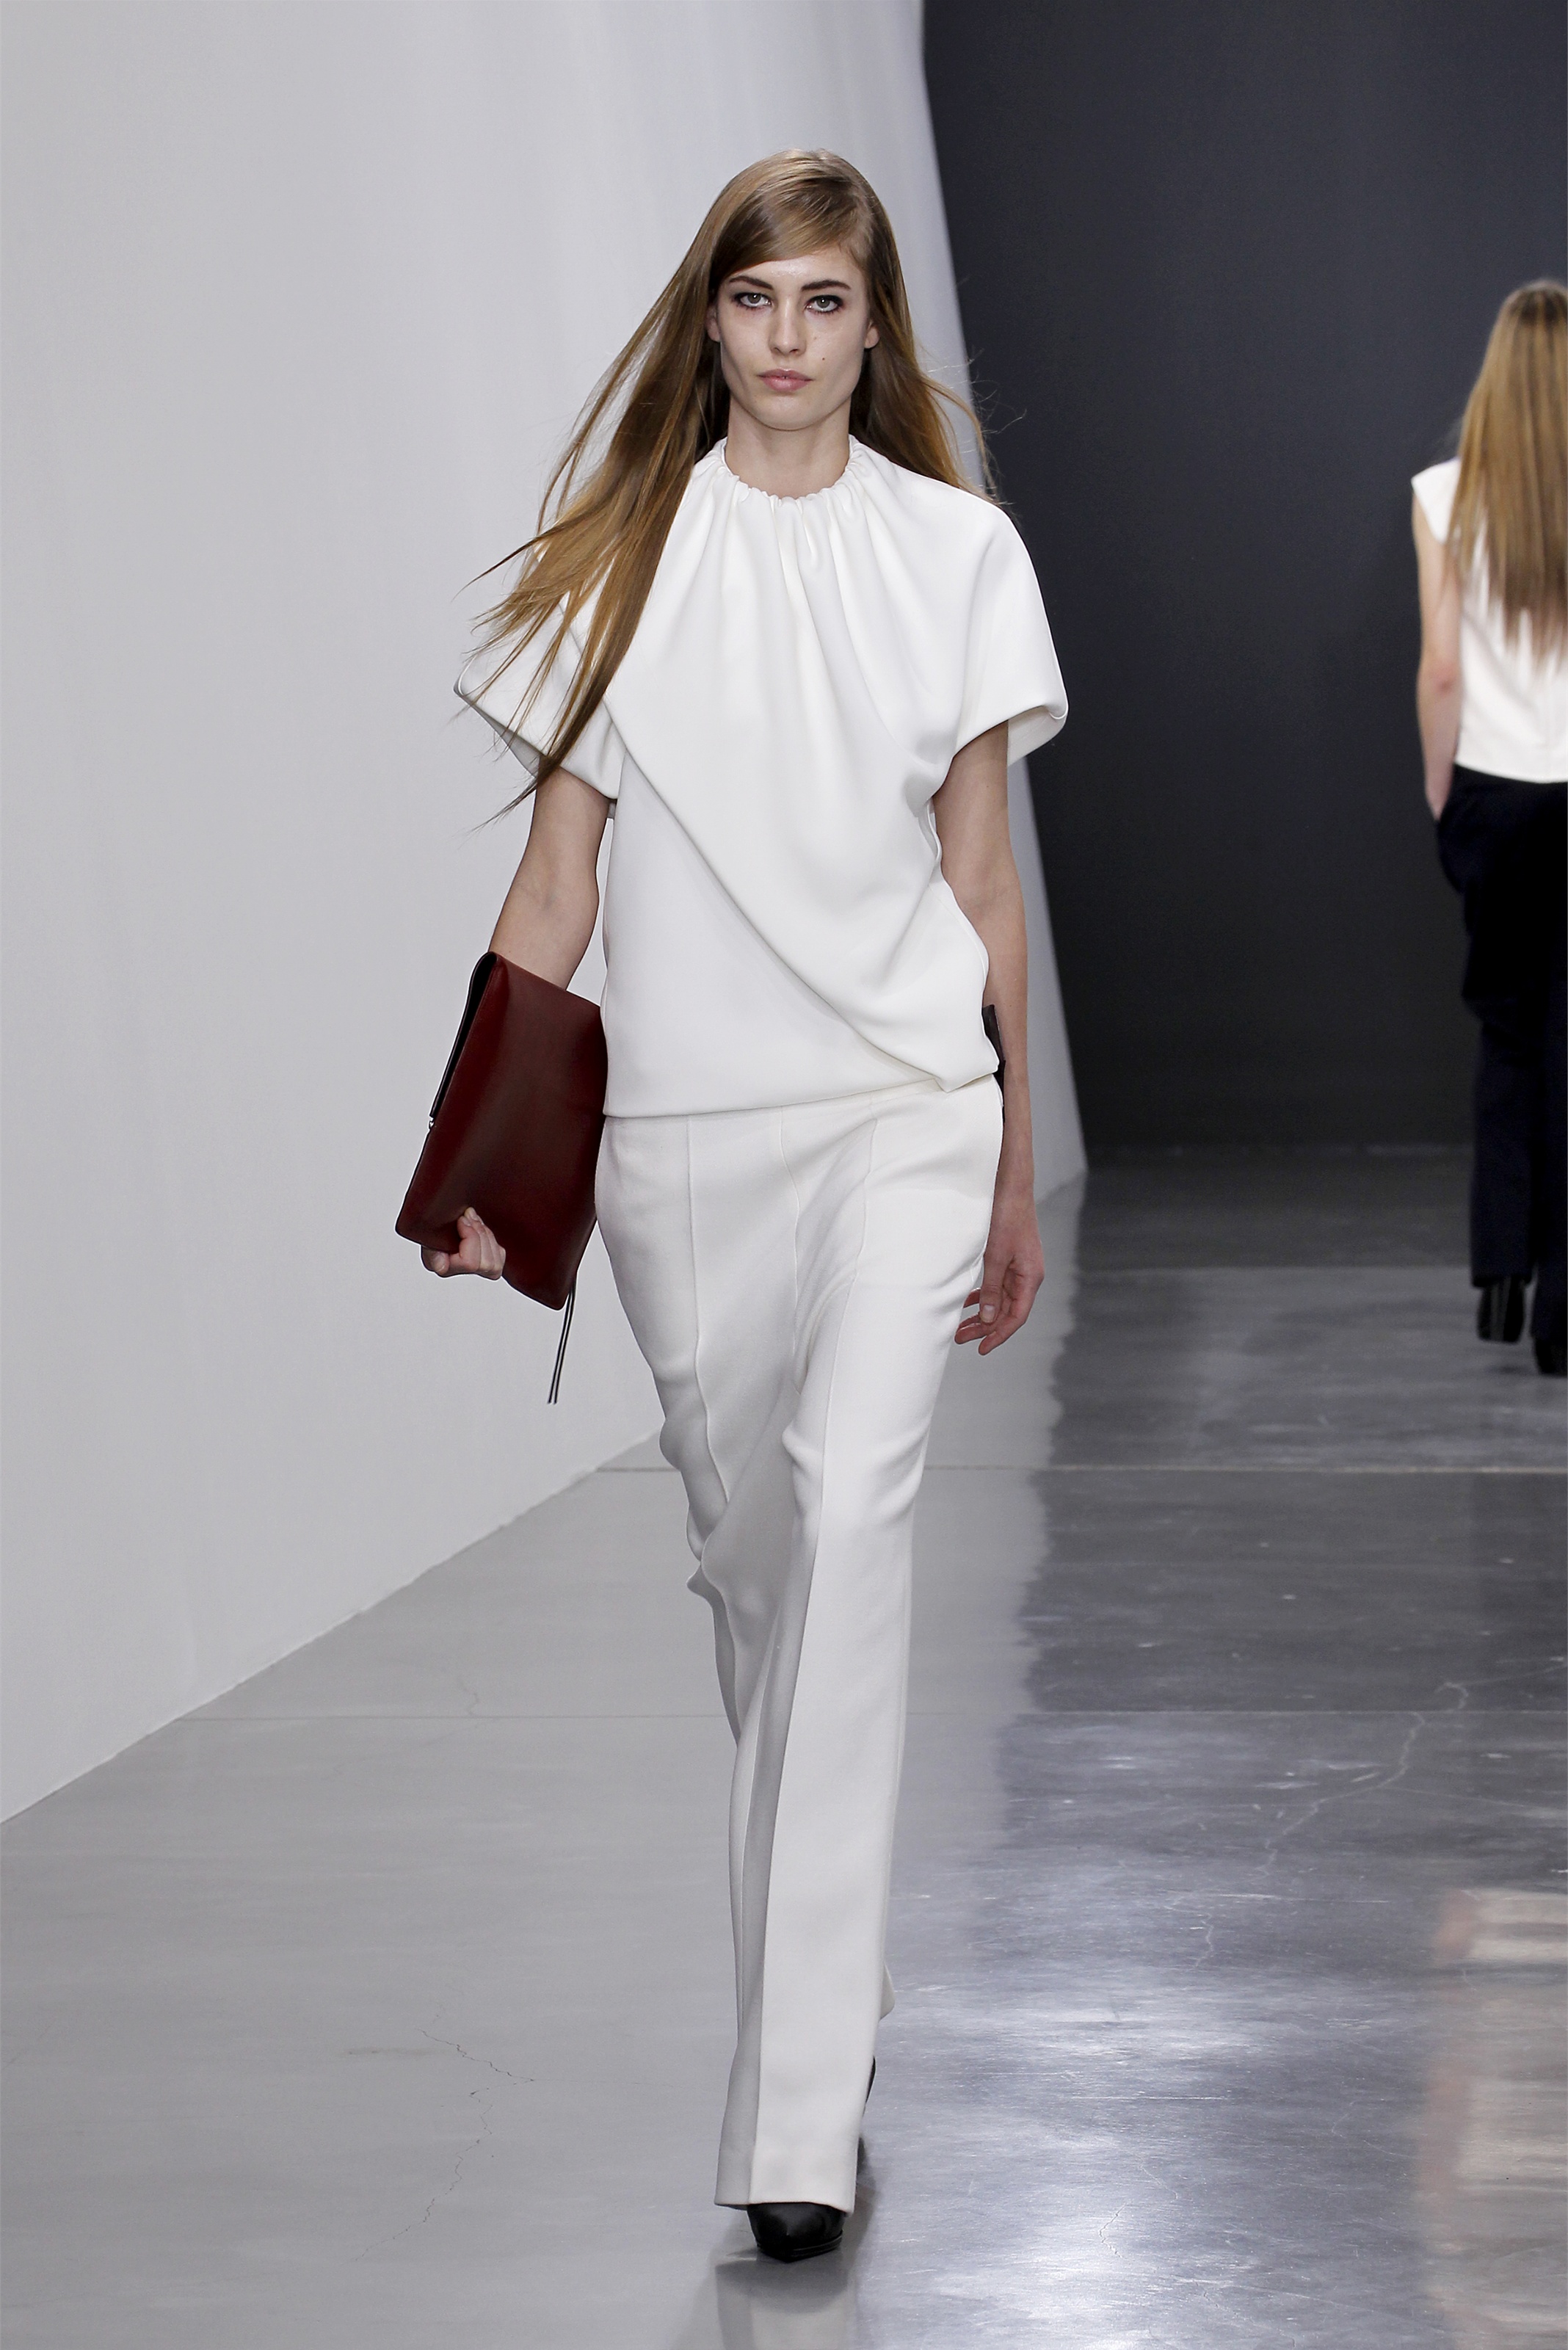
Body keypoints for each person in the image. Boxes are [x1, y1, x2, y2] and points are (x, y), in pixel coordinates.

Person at [420, 153, 1066, 2259]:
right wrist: (484, 1170)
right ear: (710, 320)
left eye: (827, 302)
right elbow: (555, 889)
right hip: (685, 1148)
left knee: (855, 1519)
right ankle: (826, 1978)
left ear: (875, 330)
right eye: (757, 299)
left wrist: (1009, 1161)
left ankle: (796, 2118)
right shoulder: (624, 563)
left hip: (902, 1113)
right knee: (766, 1581)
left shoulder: (959, 554)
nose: (791, 338)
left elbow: (983, 887)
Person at [1413, 280, 1567, 1379]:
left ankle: (1505, 1273)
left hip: (1494, 796)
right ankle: (1564, 1309)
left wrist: (1442, 788)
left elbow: (1442, 668)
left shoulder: (1445, 493)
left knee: (1510, 1031)